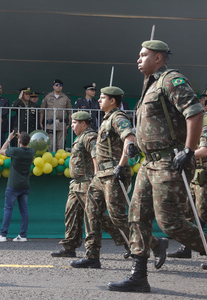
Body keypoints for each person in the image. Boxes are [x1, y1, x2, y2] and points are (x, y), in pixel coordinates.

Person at [108, 40, 206, 293]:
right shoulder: (149, 86)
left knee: (169, 222)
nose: (138, 60)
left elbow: (194, 112)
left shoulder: (171, 81)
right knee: (137, 217)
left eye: (144, 55)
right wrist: (135, 146)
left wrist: (188, 149)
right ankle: (139, 276)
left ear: (159, 58)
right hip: (149, 162)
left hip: (169, 161)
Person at [70, 86, 167, 269]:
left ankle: (155, 243)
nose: (99, 100)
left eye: (102, 97)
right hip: (101, 176)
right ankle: (92, 256)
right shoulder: (106, 119)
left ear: (112, 101)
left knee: (118, 217)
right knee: (91, 213)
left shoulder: (118, 117)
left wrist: (121, 165)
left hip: (114, 174)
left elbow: (129, 137)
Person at [51, 111, 129, 262]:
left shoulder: (89, 136)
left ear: (83, 123)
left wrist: (96, 176)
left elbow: (96, 155)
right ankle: (70, 246)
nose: (72, 126)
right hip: (76, 184)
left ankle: (128, 241)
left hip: (87, 182)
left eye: (74, 123)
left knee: (97, 217)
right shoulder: (79, 137)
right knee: (71, 213)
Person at [167, 90, 207, 266]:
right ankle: (186, 248)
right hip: (197, 174)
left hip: (204, 174)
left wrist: (186, 155)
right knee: (189, 213)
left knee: (202, 213)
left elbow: (205, 150)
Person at [0, 131, 35, 242]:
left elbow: (1, 151)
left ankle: (3, 235)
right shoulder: (31, 152)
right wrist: (22, 138)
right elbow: (26, 145)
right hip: (25, 185)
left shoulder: (16, 151)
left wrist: (9, 139)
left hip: (13, 185)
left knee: (8, 209)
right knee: (24, 210)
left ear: (19, 141)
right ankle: (23, 235)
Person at [40, 79, 72, 151]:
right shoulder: (47, 97)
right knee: (50, 145)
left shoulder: (66, 98)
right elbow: (42, 110)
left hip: (61, 124)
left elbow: (70, 112)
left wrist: (69, 124)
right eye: (57, 85)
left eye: (60, 85)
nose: (58, 87)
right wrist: (41, 122)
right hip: (50, 124)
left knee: (60, 145)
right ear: (53, 86)